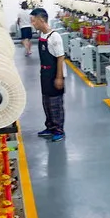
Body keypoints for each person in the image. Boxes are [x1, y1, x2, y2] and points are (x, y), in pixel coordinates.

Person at [30, 8, 66, 142]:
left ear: (41, 20)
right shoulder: (42, 35)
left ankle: (59, 130)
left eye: (34, 21)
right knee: (46, 102)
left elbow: (60, 57)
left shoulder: (54, 36)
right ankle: (50, 127)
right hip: (45, 73)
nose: (32, 24)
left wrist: (59, 77)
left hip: (54, 73)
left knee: (55, 104)